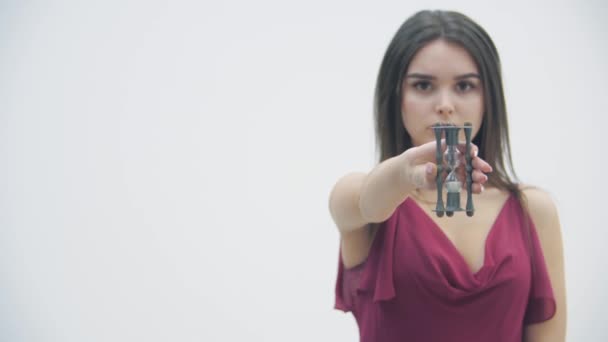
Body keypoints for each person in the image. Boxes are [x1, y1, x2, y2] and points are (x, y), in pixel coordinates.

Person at [328, 10, 566, 342]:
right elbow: (368, 202)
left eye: (465, 85)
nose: (445, 105)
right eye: (423, 85)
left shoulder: (532, 212)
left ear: (488, 99)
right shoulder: (357, 197)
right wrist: (405, 174)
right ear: (396, 97)